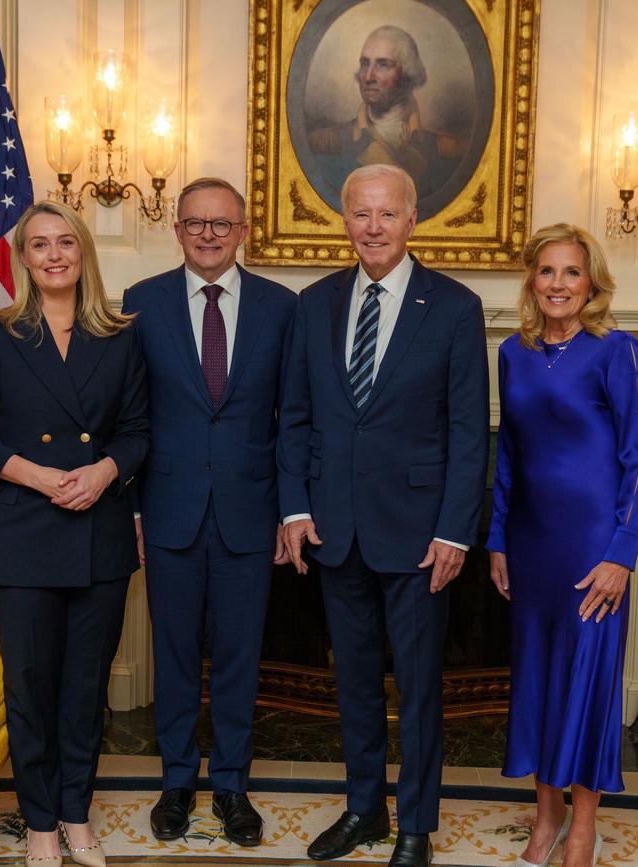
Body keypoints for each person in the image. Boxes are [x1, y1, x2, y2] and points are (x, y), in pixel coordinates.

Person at [278, 164, 489, 867]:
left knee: (421, 686)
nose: (373, 226)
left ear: (412, 219)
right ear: (345, 221)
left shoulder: (455, 307)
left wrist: (456, 528)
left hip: (423, 534)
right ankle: (365, 809)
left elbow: (468, 430)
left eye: (386, 214)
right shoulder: (314, 305)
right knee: (356, 682)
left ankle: (416, 826)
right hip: (336, 530)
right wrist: (296, 507)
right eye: (360, 214)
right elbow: (296, 418)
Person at [122, 178, 296, 846]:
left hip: (251, 514)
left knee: (237, 656)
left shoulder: (284, 307)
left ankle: (230, 785)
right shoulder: (143, 302)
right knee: (171, 654)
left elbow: (293, 418)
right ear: (177, 229)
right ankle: (175, 782)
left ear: (243, 229)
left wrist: (290, 512)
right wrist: (134, 509)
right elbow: (130, 414)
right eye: (195, 223)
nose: (207, 234)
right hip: (167, 511)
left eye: (221, 224)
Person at [0, 201, 150, 867]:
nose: (53, 255)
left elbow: (140, 430)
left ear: (84, 252)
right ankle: (41, 826)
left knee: (86, 690)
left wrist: (106, 468)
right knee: (31, 689)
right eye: (38, 246)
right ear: (23, 259)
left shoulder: (120, 335)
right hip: (20, 534)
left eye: (65, 243)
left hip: (98, 535)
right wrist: (39, 475)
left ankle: (76, 814)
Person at [487, 224, 638, 867]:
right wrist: (497, 540)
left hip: (593, 547)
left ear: (592, 283)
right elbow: (508, 457)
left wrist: (622, 552)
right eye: (547, 271)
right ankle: (543, 822)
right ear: (531, 280)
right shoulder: (513, 353)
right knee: (541, 681)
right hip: (530, 543)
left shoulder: (617, 350)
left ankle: (583, 827)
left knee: (586, 682)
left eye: (571, 272)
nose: (558, 284)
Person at [308, 26, 465, 202]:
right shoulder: (326, 145)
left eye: (383, 65)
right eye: (365, 64)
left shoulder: (445, 151)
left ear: (407, 74)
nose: (368, 77)